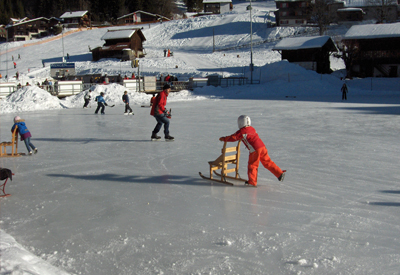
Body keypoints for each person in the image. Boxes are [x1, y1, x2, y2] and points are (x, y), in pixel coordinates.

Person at [219, 115, 286, 187]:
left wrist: (224, 138)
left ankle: (252, 181)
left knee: (252, 165)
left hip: (255, 150)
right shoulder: (252, 129)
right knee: (267, 162)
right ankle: (279, 173)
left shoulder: (242, 131)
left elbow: (233, 137)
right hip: (262, 147)